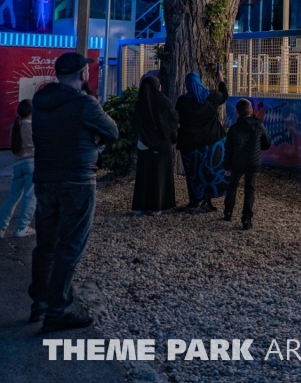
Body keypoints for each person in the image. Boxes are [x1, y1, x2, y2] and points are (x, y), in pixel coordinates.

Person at [30, 52, 118, 332]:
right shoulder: (84, 105)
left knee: (46, 244)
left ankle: (40, 303)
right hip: (77, 181)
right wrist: (97, 134)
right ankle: (57, 312)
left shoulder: (40, 102)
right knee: (69, 246)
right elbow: (113, 131)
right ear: (83, 74)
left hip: (44, 180)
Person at [176, 70, 228, 212]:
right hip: (212, 141)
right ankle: (208, 200)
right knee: (209, 171)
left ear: (187, 85)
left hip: (190, 144)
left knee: (193, 172)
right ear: (199, 82)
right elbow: (224, 95)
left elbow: (178, 118)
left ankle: (194, 200)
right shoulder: (211, 97)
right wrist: (220, 79)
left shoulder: (182, 101)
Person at [131, 76, 178, 215]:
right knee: (160, 175)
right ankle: (158, 207)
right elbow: (173, 119)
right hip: (162, 145)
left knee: (143, 176)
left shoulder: (140, 103)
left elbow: (135, 125)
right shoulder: (163, 101)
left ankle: (140, 207)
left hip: (143, 144)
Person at [223, 99, 270, 230]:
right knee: (250, 189)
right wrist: (256, 146)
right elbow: (267, 143)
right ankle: (246, 219)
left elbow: (228, 150)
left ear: (237, 112)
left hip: (237, 162)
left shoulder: (233, 129)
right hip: (253, 161)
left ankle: (228, 212)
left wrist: (227, 166)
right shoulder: (259, 125)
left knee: (232, 186)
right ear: (251, 111)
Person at [0, 100, 36, 238]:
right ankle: (22, 227)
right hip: (32, 164)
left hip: (18, 165)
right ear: (32, 112)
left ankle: (1, 228)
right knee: (30, 196)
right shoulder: (33, 127)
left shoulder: (15, 127)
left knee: (13, 196)